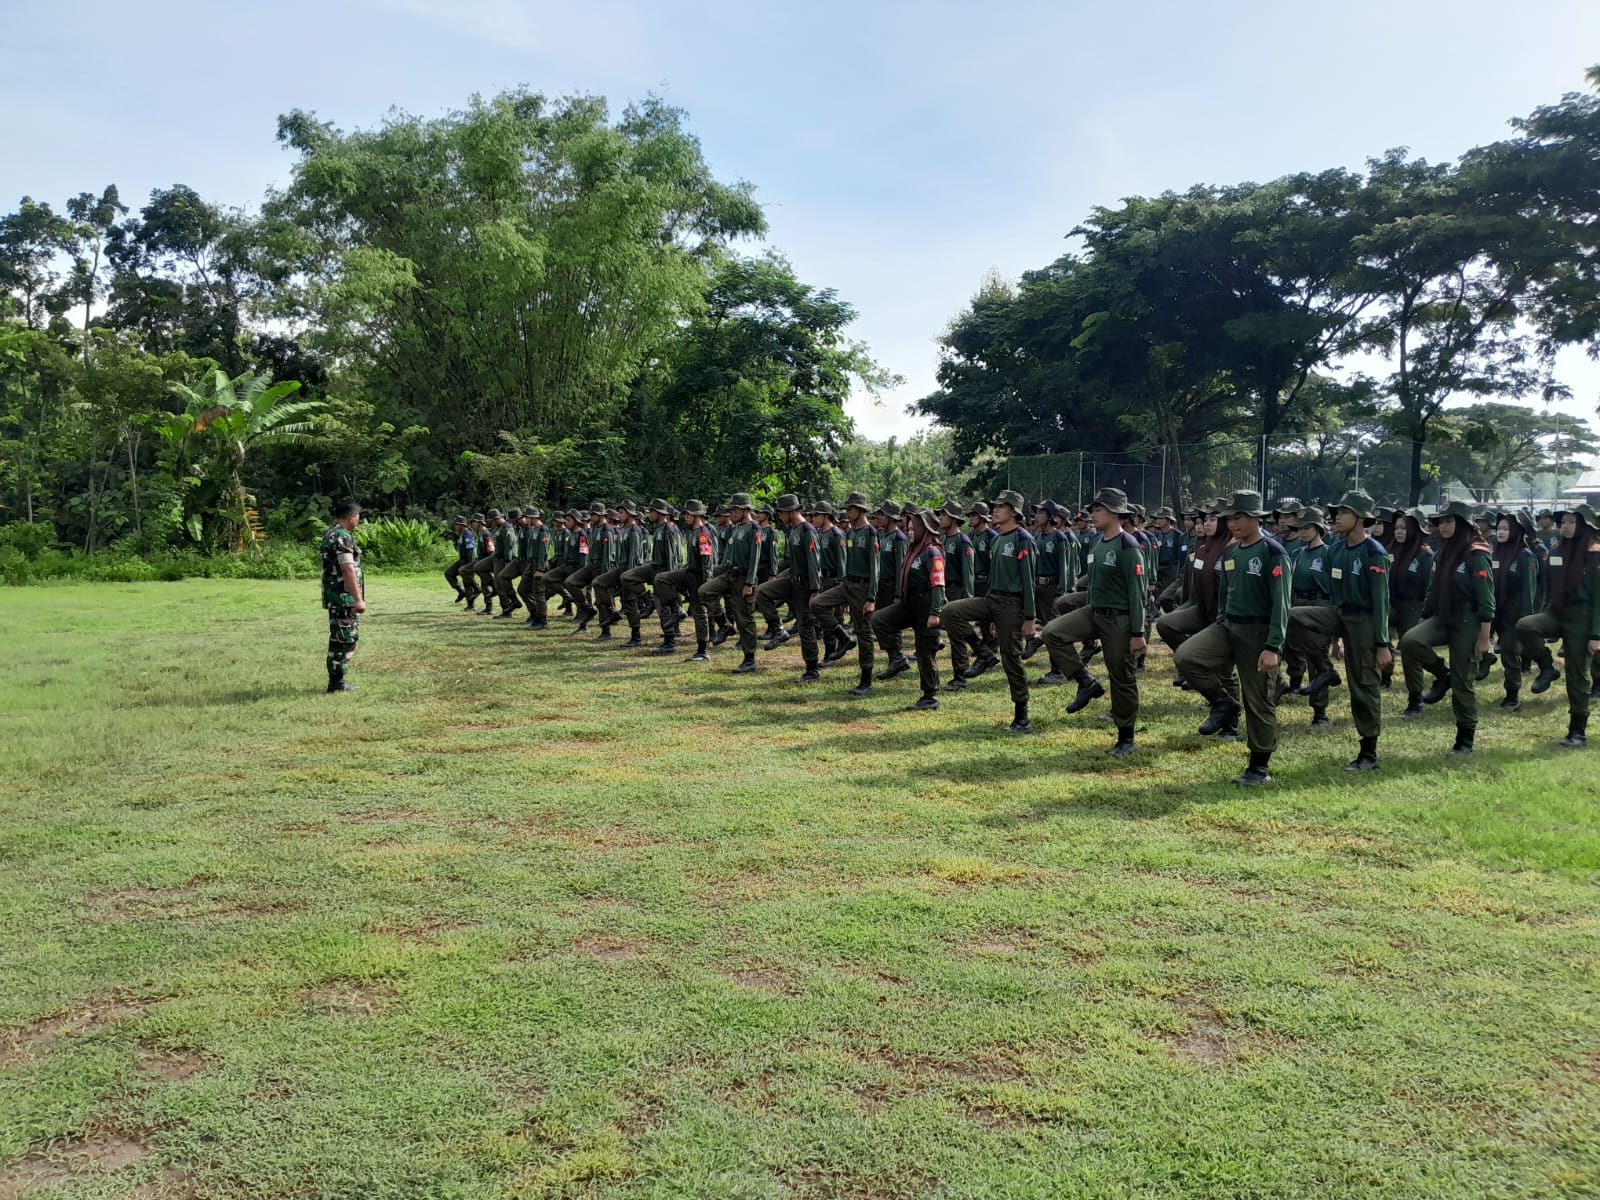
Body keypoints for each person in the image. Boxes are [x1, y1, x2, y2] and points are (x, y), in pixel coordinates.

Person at [1173, 491, 1291, 787]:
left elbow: (1282, 604)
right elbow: (1225, 594)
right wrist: (1222, 620)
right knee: (1187, 656)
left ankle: (1259, 767)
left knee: (1259, 702)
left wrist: (1273, 646)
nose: (1232, 523)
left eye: (1238, 517)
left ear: (1255, 518)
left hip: (1258, 633)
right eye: (1230, 518)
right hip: (1228, 627)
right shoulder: (1232, 551)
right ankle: (1223, 703)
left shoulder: (1273, 552)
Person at [1288, 492, 1392, 771]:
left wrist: (1382, 644)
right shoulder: (1336, 550)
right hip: (1338, 613)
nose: (1337, 516)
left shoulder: (1374, 554)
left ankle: (1368, 752)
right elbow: (1334, 593)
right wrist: (1333, 638)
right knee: (1291, 618)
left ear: (1359, 518)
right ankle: (1324, 670)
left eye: (1344, 512)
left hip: (1364, 622)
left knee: (1363, 685)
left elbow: (1382, 603)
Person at [1039, 487, 1147, 756]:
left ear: (1114, 513)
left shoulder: (1128, 547)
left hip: (1119, 620)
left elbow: (1137, 594)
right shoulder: (1099, 542)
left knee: (1121, 678)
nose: (1092, 514)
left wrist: (1138, 632)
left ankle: (1126, 738)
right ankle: (1085, 681)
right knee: (1053, 632)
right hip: (1094, 612)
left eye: (1098, 510)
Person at [1398, 501, 1495, 754]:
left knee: (1464, 685)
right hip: (1443, 617)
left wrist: (1484, 638)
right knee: (1410, 641)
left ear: (1462, 524)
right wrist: (1423, 619)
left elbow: (1486, 599)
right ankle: (1443, 676)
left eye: (1449, 521)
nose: (1443, 526)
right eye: (1441, 522)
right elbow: (1433, 590)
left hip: (1468, 621)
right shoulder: (1443, 552)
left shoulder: (1477, 554)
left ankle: (1465, 739)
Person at [940, 490, 1037, 733]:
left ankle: (1022, 717)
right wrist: (990, 613)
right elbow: (994, 578)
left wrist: (1030, 618)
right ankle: (983, 652)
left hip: (1012, 605)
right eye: (994, 506)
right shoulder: (998, 539)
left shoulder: (1022, 539)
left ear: (1013, 512)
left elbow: (1028, 581)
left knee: (1011, 659)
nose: (994, 510)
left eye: (1001, 507)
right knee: (951, 611)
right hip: (992, 600)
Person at [1516, 503, 1600, 749]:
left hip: (1583, 617)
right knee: (1525, 626)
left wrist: (1596, 634)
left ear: (1584, 525)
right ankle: (1546, 667)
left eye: (1572, 522)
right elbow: (1549, 587)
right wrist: (1545, 610)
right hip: (1556, 611)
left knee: (1577, 676)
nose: (1566, 527)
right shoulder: (1556, 550)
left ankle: (1577, 732)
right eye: (1563, 523)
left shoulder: (1595, 553)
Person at [871, 508, 948, 709]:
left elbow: (939, 584)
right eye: (909, 528)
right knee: (879, 620)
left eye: (914, 528)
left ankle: (929, 696)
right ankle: (897, 658)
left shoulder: (932, 552)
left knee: (925, 653)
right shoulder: (914, 549)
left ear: (926, 529)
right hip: (909, 604)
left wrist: (935, 613)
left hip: (926, 606)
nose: (910, 531)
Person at [1157, 502, 1230, 690]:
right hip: (1202, 606)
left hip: (1224, 614)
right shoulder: (1202, 548)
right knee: (1165, 624)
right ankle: (1192, 665)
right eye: (1204, 520)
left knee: (1228, 667)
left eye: (1212, 520)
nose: (1204, 524)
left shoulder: (1232, 548)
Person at [814, 493, 881, 693]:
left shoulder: (870, 533)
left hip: (862, 587)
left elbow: (875, 567)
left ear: (860, 510)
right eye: (847, 509)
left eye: (851, 509)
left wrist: (871, 597)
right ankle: (843, 638)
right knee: (817, 604)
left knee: (864, 633)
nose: (847, 512)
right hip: (847, 584)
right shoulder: (850, 533)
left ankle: (866, 679)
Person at [757, 495, 824, 681]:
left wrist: (815, 590)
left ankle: (812, 670)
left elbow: (814, 562)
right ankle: (777, 629)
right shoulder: (792, 529)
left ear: (791, 511)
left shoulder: (807, 530)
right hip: (792, 580)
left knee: (805, 627)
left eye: (781, 512)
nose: (779, 516)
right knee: (762, 592)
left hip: (805, 585)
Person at [698, 493, 763, 673]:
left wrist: (749, 583)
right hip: (729, 574)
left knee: (744, 619)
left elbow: (754, 559)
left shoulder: (754, 529)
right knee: (705, 592)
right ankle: (725, 625)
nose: (732, 513)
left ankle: (749, 659)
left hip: (743, 578)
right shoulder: (735, 528)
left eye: (735, 509)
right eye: (731, 510)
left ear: (745, 510)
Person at [1282, 506, 1332, 723]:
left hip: (1319, 606)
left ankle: (1319, 713)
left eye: (1307, 527)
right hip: (1296, 605)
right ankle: (1289, 683)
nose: (1302, 532)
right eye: (1299, 528)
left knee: (1317, 657)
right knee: (1284, 645)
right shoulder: (1296, 553)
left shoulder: (1328, 554)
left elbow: (1332, 588)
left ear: (1319, 528)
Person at [1487, 512, 1540, 710]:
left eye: (1506, 529)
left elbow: (1529, 590)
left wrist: (1525, 619)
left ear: (1516, 531)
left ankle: (1512, 696)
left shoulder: (1525, 556)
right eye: (1499, 528)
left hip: (1514, 614)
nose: (1500, 532)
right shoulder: (1496, 553)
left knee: (1509, 653)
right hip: (1496, 611)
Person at [653, 499, 717, 659]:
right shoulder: (691, 532)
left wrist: (706, 583)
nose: (685, 517)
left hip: (699, 577)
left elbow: (707, 560)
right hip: (689, 572)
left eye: (688, 514)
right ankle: (677, 609)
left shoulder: (703, 534)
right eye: (685, 514)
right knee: (661, 579)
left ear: (697, 515)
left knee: (699, 612)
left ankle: (703, 650)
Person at [320, 500, 366, 694]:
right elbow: (347, 569)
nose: (359, 520)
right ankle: (336, 682)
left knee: (342, 636)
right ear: (351, 517)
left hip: (336, 596)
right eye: (358, 517)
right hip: (343, 597)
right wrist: (358, 599)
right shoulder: (342, 537)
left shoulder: (331, 533)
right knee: (344, 638)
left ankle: (337, 680)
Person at [1385, 508, 1433, 692]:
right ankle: (1385, 677)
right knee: (1382, 638)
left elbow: (1429, 587)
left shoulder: (1425, 555)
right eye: (1397, 527)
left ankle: (1416, 695)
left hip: (1413, 606)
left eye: (1404, 528)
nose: (1399, 531)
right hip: (1391, 603)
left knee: (1409, 650)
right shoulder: (1390, 550)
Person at [936, 502, 977, 691]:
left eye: (944, 515)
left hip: (958, 590)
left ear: (953, 518)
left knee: (957, 636)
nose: (940, 518)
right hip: (946, 589)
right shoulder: (943, 539)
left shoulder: (963, 541)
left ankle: (961, 675)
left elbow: (968, 573)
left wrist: (968, 598)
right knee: (954, 634)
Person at [517, 508, 554, 629]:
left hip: (539, 564)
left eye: (527, 517)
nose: (526, 520)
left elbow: (543, 551)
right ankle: (534, 614)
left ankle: (542, 620)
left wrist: (541, 569)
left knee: (539, 593)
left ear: (533, 518)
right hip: (531, 564)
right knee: (522, 589)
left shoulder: (543, 530)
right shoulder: (534, 530)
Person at [469, 509, 501, 615]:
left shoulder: (486, 535)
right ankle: (488, 607)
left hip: (487, 563)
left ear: (479, 522)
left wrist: (486, 564)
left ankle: (490, 607)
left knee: (485, 585)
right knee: (484, 586)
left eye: (474, 522)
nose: (472, 524)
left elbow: (491, 551)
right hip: (482, 561)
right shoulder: (480, 533)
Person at [445, 516, 476, 605]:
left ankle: (471, 605)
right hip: (462, 560)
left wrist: (470, 566)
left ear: (461, 525)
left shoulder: (467, 535)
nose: (455, 526)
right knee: (449, 573)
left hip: (467, 561)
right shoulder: (462, 534)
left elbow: (471, 551)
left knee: (467, 582)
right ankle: (461, 592)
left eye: (456, 524)